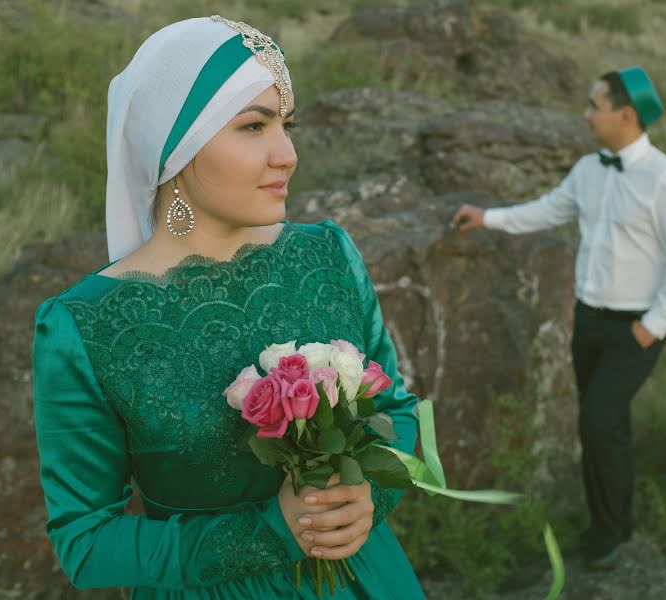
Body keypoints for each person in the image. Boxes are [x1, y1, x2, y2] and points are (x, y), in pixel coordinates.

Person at [32, 15, 424, 599]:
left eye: (286, 126)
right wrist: (269, 535)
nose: (286, 154)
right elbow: (86, 544)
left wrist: (368, 493)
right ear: (178, 146)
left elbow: (396, 410)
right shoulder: (84, 326)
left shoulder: (327, 256)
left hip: (366, 579)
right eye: (253, 126)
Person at [452, 67, 666, 570]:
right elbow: (547, 211)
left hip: (635, 329)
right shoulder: (590, 170)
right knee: (604, 428)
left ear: (625, 115)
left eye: (595, 105)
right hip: (588, 322)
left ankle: (609, 537)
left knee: (597, 421)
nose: (586, 114)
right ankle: (608, 526)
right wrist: (489, 218)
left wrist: (652, 325)